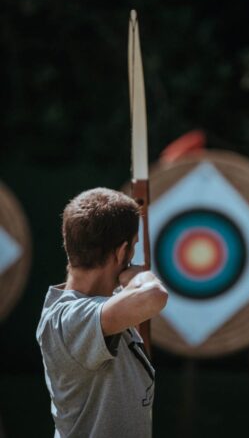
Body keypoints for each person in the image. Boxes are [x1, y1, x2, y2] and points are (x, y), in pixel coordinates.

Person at [36, 187, 168, 438]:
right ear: (122, 252)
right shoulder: (67, 319)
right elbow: (154, 296)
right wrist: (140, 276)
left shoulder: (106, 304)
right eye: (133, 248)